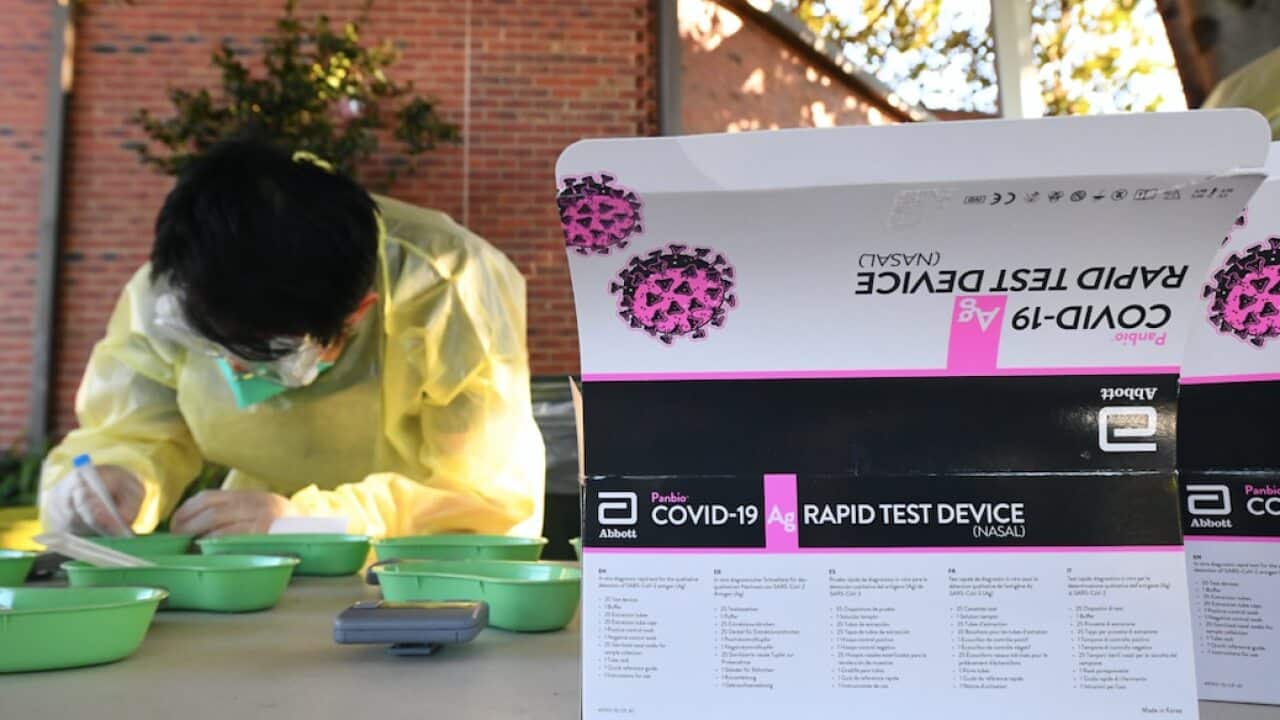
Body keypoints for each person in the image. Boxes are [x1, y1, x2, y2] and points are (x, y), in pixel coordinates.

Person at [39, 138, 545, 539]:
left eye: (266, 355)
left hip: (431, 570)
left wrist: (310, 522)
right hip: (264, 551)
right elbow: (128, 430)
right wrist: (117, 480)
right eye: (212, 347)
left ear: (356, 314)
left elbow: (484, 493)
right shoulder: (173, 294)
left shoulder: (448, 283)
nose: (232, 372)